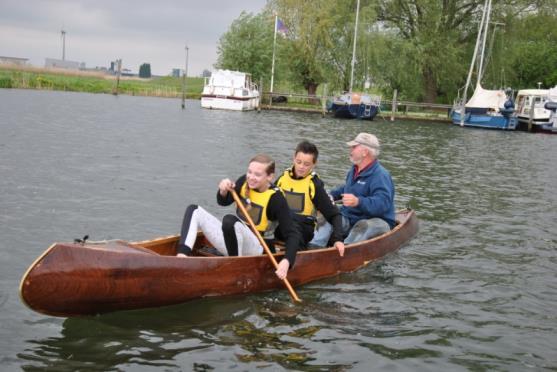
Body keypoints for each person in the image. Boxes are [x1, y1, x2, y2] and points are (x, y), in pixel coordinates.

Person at [176, 154, 301, 280]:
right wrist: (223, 190)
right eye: (249, 172)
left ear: (269, 177)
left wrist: (286, 262)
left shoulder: (276, 199)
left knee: (230, 221)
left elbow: (292, 234)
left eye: (257, 175)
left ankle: (235, 268)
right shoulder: (244, 182)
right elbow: (223, 202)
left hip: (258, 248)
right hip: (233, 242)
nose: (251, 177)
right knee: (194, 210)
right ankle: (181, 259)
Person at [309, 133, 396, 256]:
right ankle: (312, 249)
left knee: (363, 225)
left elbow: (383, 204)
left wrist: (358, 201)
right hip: (350, 218)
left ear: (365, 152)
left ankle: (346, 254)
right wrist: (330, 196)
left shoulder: (381, 175)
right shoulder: (354, 170)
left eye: (354, 147)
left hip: (377, 222)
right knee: (326, 214)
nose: (351, 150)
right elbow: (346, 189)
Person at [275, 141, 345, 255]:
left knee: (292, 223)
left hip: (303, 229)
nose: (301, 167)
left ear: (314, 164)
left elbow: (335, 215)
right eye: (299, 162)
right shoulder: (283, 178)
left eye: (306, 164)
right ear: (294, 158)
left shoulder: (314, 185)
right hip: (283, 227)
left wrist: (338, 240)